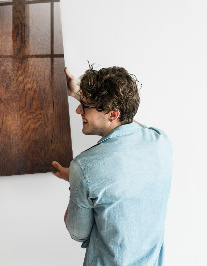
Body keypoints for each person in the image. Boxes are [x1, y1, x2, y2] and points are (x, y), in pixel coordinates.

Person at [52, 66, 172, 265]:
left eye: (85, 106)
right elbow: (130, 126)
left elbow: (77, 233)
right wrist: (77, 93)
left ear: (113, 114)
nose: (78, 110)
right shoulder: (160, 141)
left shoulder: (84, 167)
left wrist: (76, 180)